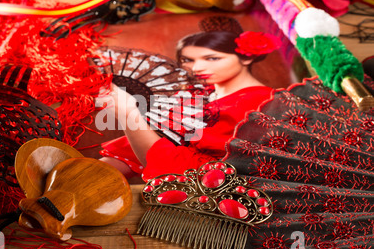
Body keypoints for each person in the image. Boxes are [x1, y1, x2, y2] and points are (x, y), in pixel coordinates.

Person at [97, 29, 280, 182]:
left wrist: (127, 112)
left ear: (246, 58)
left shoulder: (259, 104)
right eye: (187, 60)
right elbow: (154, 140)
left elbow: (189, 173)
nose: (197, 68)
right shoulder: (197, 94)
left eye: (212, 58)